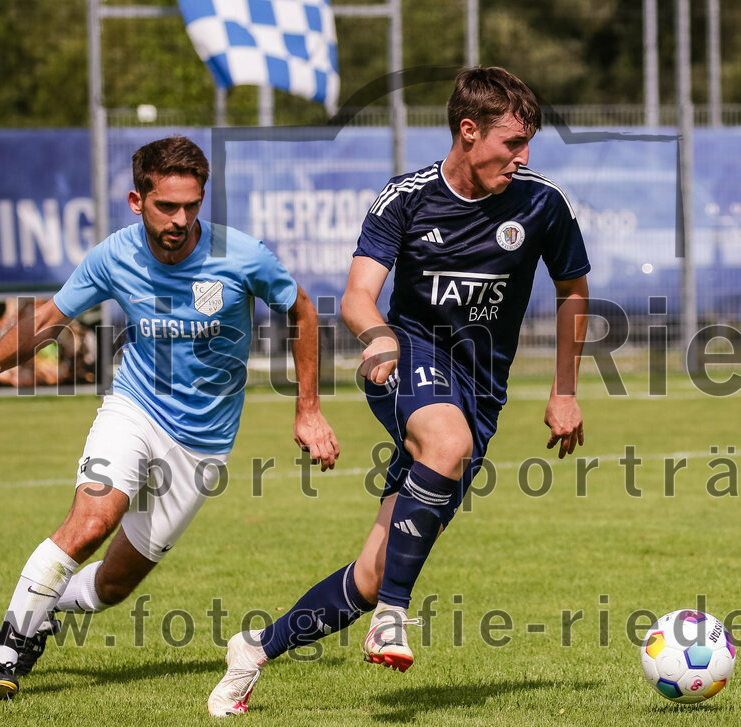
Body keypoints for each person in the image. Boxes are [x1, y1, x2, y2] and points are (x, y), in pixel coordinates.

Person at [208, 67, 589, 718]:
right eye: (512, 142)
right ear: (467, 132)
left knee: (370, 572)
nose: (523, 157)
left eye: (529, 144)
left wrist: (565, 390)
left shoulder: (541, 205)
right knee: (446, 440)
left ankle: (254, 650)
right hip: (404, 359)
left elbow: (573, 289)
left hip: (480, 391)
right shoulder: (405, 198)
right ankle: (394, 616)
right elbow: (358, 296)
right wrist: (379, 336)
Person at [0, 136, 340, 701]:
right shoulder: (114, 255)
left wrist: (308, 408)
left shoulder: (239, 255)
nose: (181, 219)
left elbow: (301, 309)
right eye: (167, 205)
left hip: (204, 446)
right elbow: (45, 319)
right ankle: (3, 656)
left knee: (115, 585)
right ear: (136, 200)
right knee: (91, 522)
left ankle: (42, 610)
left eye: (192, 205)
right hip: (134, 409)